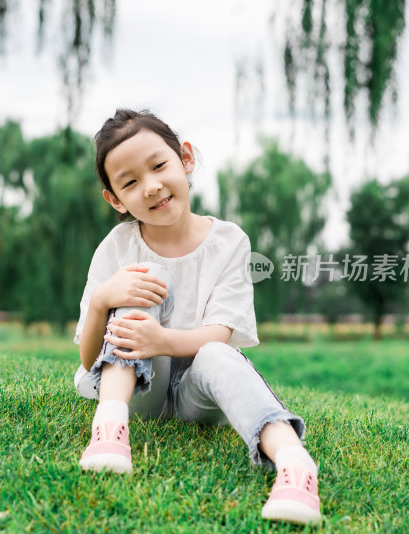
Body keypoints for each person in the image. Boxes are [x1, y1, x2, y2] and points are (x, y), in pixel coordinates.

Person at [73, 108, 321, 525]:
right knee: (140, 279)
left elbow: (221, 333)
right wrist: (101, 300)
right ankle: (109, 430)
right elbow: (87, 359)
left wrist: (162, 341)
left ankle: (295, 465)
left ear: (185, 158)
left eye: (158, 166)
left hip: (196, 395)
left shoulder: (229, 242)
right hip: (135, 395)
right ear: (115, 199)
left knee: (217, 353)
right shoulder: (117, 246)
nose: (151, 187)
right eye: (131, 182)